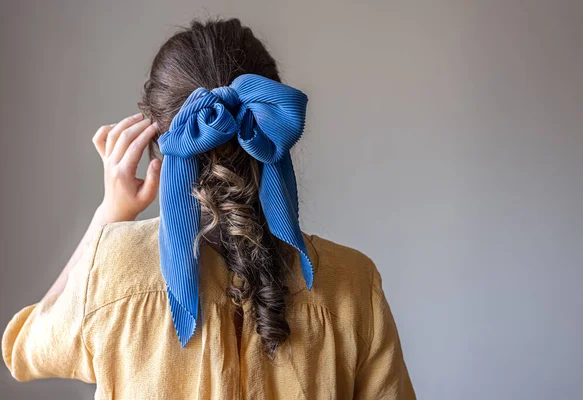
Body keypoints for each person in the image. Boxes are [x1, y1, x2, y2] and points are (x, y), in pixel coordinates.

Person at [2, 18, 415, 399]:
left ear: (154, 138)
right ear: (272, 132)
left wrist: (109, 214)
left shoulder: (110, 269)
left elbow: (22, 349)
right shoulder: (355, 283)